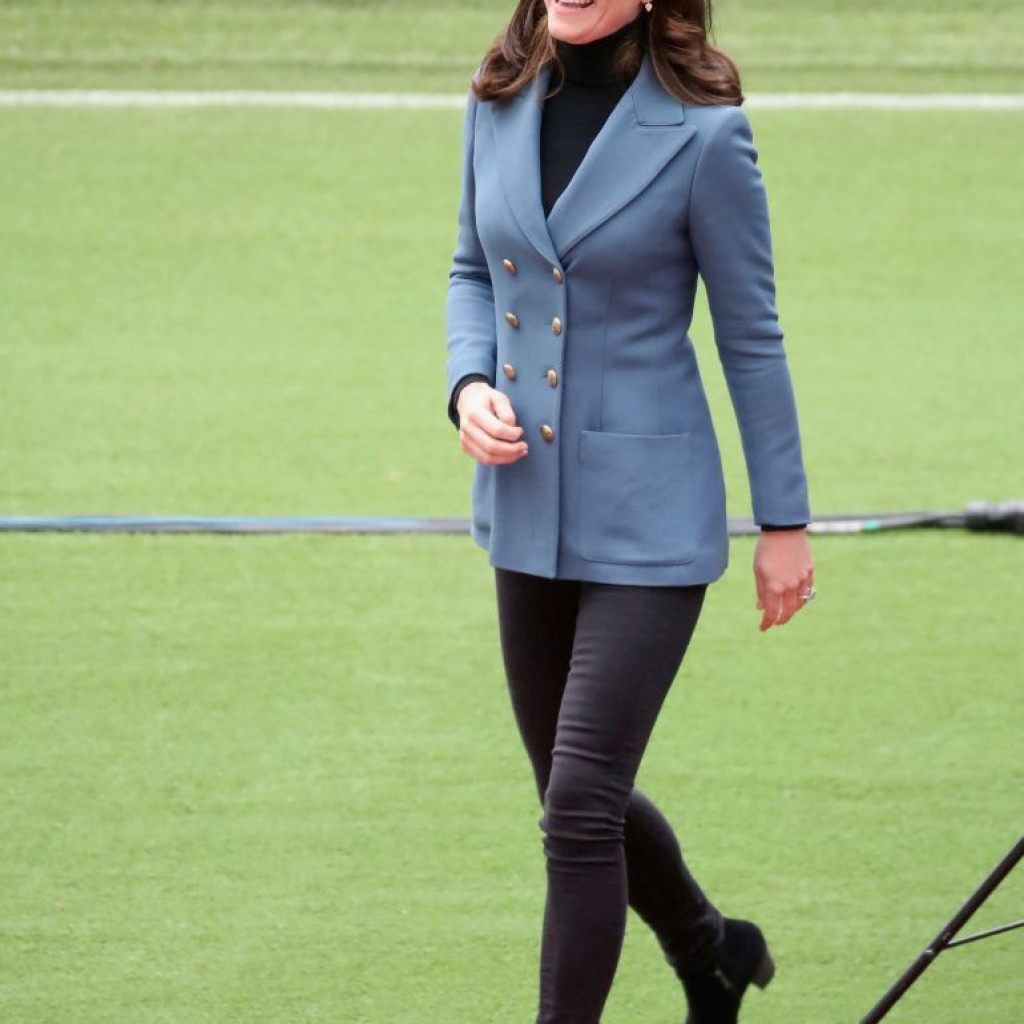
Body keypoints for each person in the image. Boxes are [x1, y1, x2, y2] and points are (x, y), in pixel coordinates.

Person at [443, 2, 816, 1022]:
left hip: (652, 515)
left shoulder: (706, 135)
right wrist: (467, 385)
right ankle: (712, 949)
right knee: (575, 794)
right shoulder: (496, 101)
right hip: (526, 502)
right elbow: (471, 271)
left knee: (577, 806)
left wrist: (783, 524)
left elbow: (751, 335)